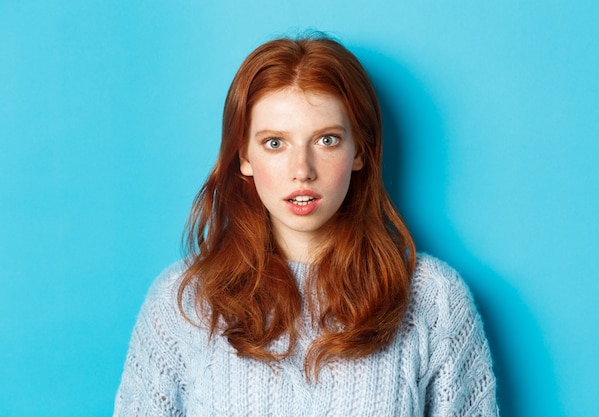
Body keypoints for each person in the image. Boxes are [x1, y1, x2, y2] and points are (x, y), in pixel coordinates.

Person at [113, 34, 499, 416]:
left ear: (359, 151)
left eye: (327, 140)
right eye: (275, 143)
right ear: (243, 155)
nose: (302, 171)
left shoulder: (433, 299)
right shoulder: (182, 303)